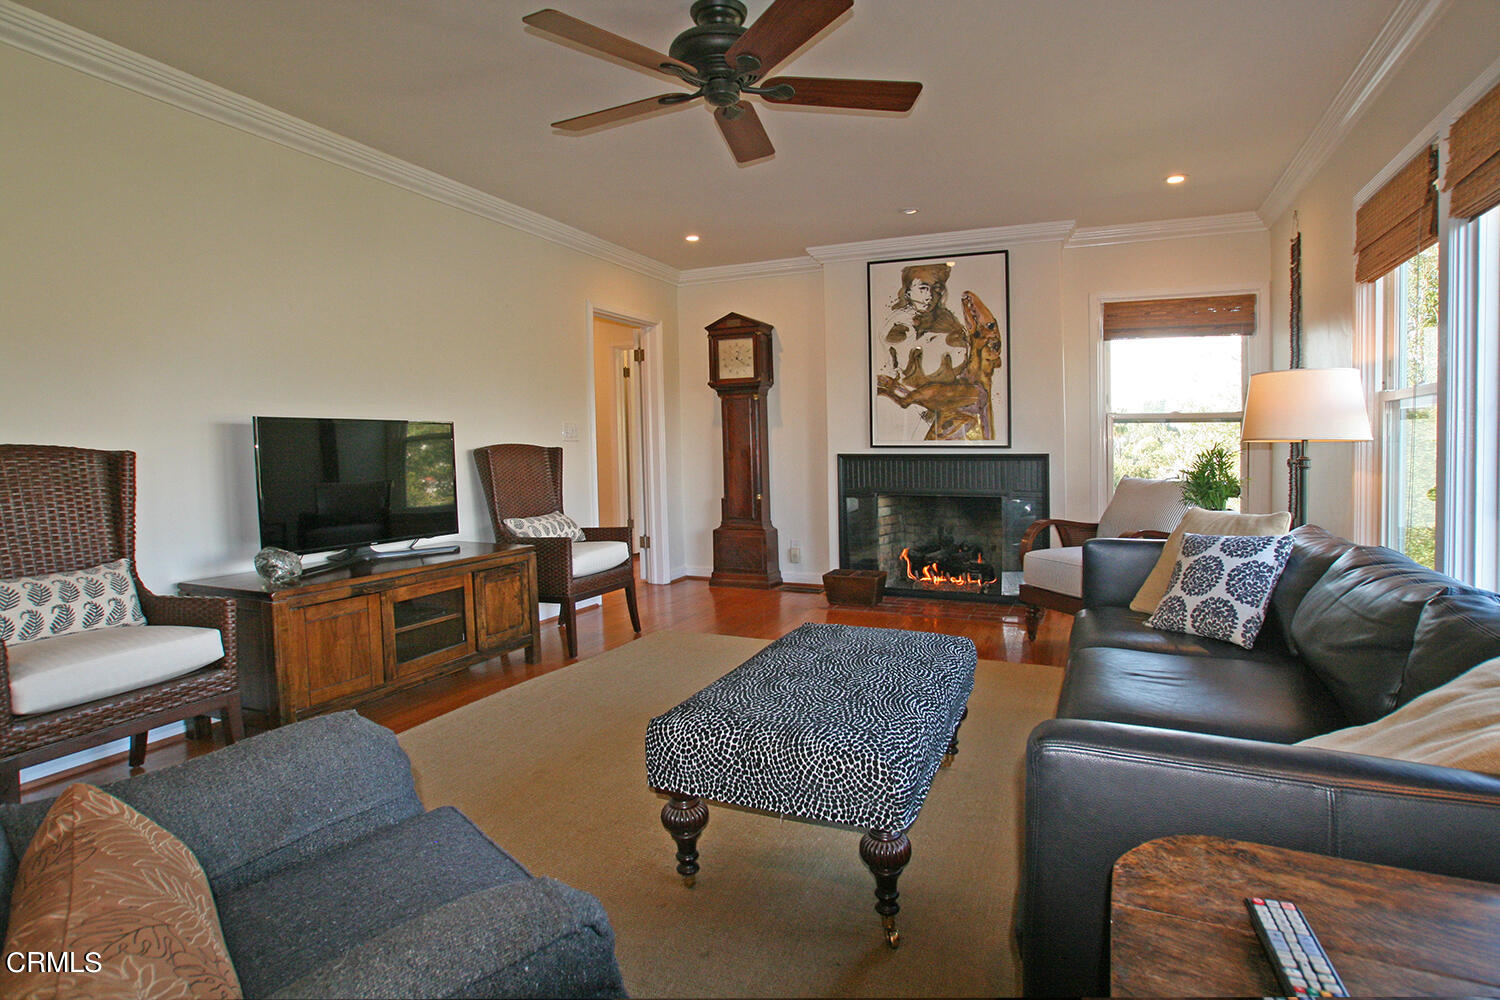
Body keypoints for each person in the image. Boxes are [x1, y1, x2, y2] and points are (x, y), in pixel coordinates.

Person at [877, 263, 967, 383]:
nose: (930, 296)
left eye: (936, 288)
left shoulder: (947, 320)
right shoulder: (898, 321)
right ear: (908, 293)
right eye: (923, 288)